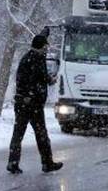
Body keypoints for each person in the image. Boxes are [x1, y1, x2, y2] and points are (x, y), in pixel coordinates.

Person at [7, 34, 63, 174]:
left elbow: (27, 79)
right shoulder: (36, 59)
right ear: (40, 47)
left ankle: (13, 163)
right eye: (45, 46)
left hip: (24, 103)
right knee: (41, 134)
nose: (46, 49)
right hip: (32, 105)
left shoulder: (28, 58)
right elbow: (37, 79)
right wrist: (49, 80)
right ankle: (47, 163)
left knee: (18, 133)